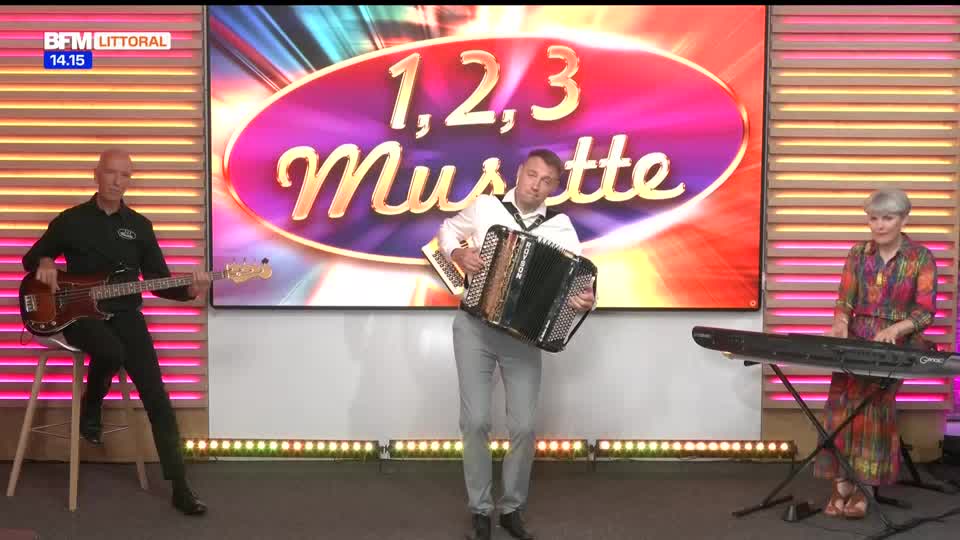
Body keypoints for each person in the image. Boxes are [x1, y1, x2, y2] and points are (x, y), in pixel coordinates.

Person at [22, 148, 210, 515]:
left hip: (125, 314)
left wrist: (190, 289)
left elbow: (157, 280)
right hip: (77, 315)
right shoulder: (71, 220)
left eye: (125, 175)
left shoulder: (140, 226)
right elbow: (33, 257)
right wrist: (45, 262)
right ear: (96, 174)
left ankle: (180, 487)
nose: (117, 181)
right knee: (110, 351)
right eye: (111, 173)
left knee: (157, 397)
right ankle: (92, 406)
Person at [437, 149, 596, 540]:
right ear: (519, 172)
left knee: (523, 426)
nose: (536, 185)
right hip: (474, 328)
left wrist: (585, 300)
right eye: (532, 175)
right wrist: (458, 253)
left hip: (523, 338)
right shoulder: (486, 207)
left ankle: (511, 509)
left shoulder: (561, 229)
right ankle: (480, 509)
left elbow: (579, 286)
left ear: (554, 188)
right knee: (475, 422)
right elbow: (447, 231)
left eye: (546, 181)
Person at [815, 188, 937, 519]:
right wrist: (840, 323)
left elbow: (925, 312)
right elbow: (844, 301)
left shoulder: (921, 258)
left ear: (903, 219)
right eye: (873, 218)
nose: (879, 225)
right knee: (840, 406)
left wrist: (896, 329)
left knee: (872, 410)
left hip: (895, 345)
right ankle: (841, 482)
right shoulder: (857, 253)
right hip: (856, 340)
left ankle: (865, 487)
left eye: (887, 218)